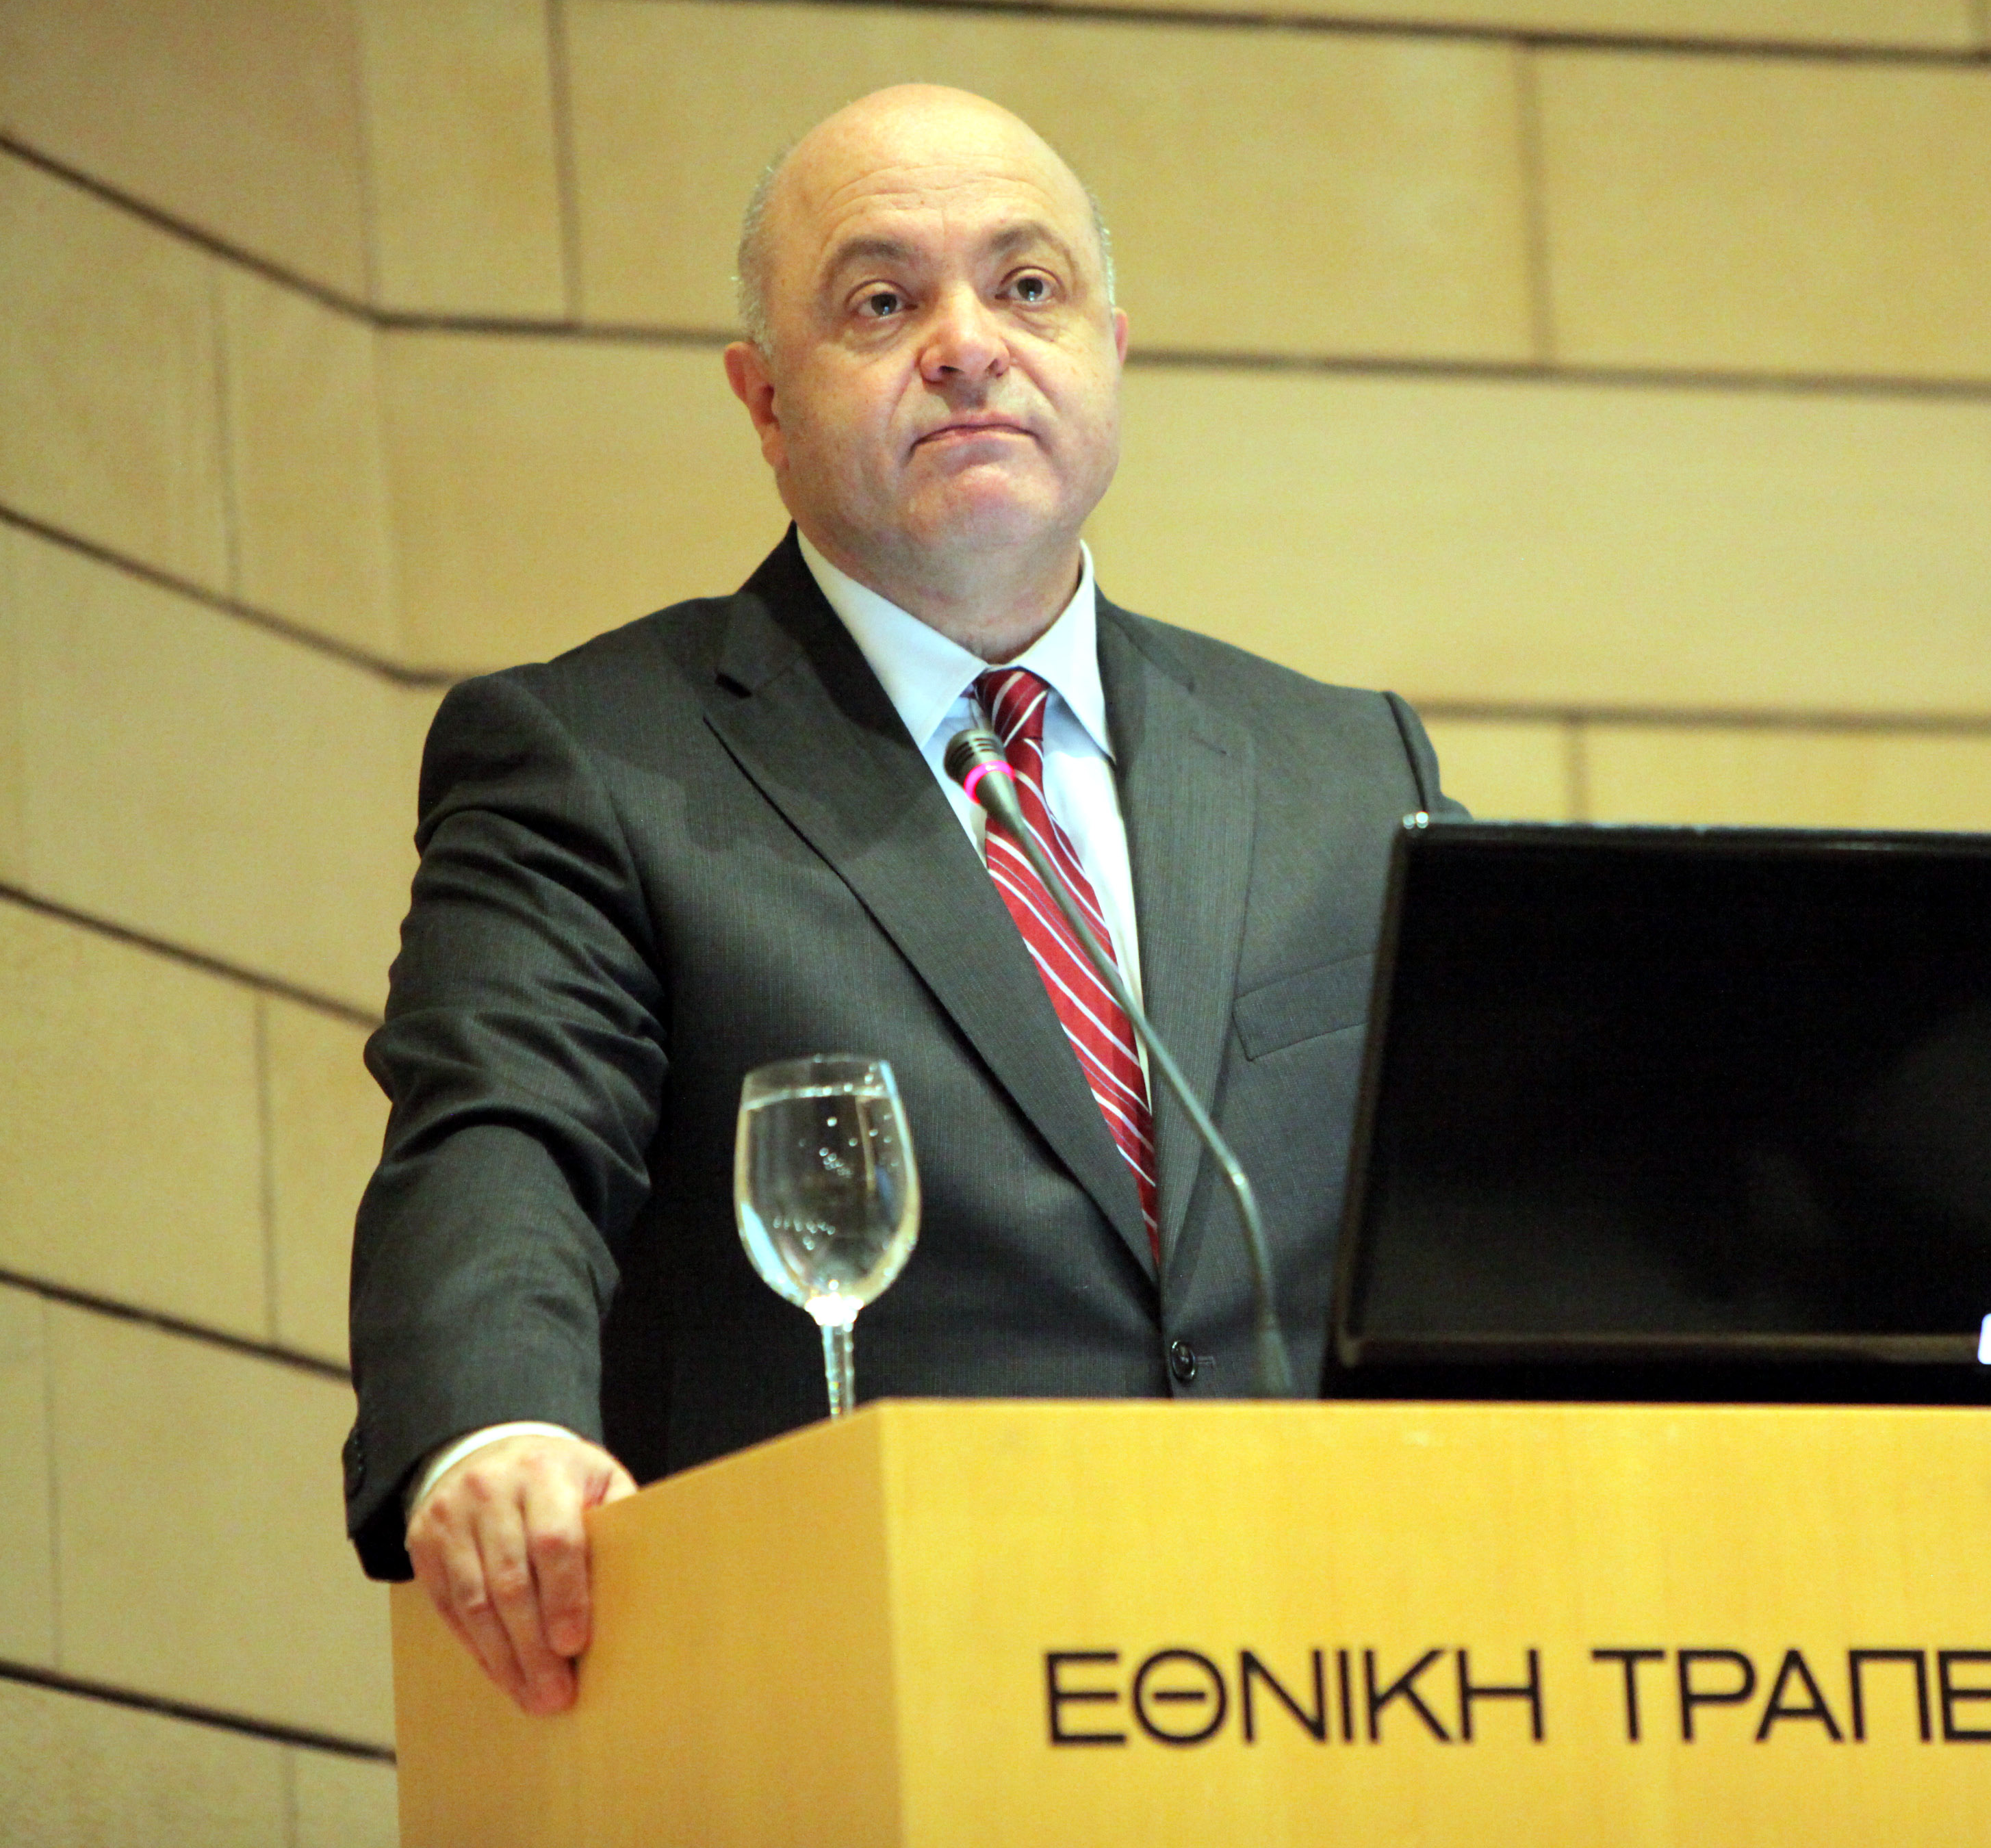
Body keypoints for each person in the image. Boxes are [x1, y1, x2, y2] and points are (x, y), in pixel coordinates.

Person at [345, 84, 1455, 1716]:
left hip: (1338, 1675)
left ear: (1109, 352)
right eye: (881, 303)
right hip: (863, 1685)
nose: (967, 346)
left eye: (1027, 287)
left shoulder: (1346, 769)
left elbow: (1501, 1201)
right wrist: (493, 1426)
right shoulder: (595, 758)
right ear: (764, 401)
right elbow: (501, 1132)